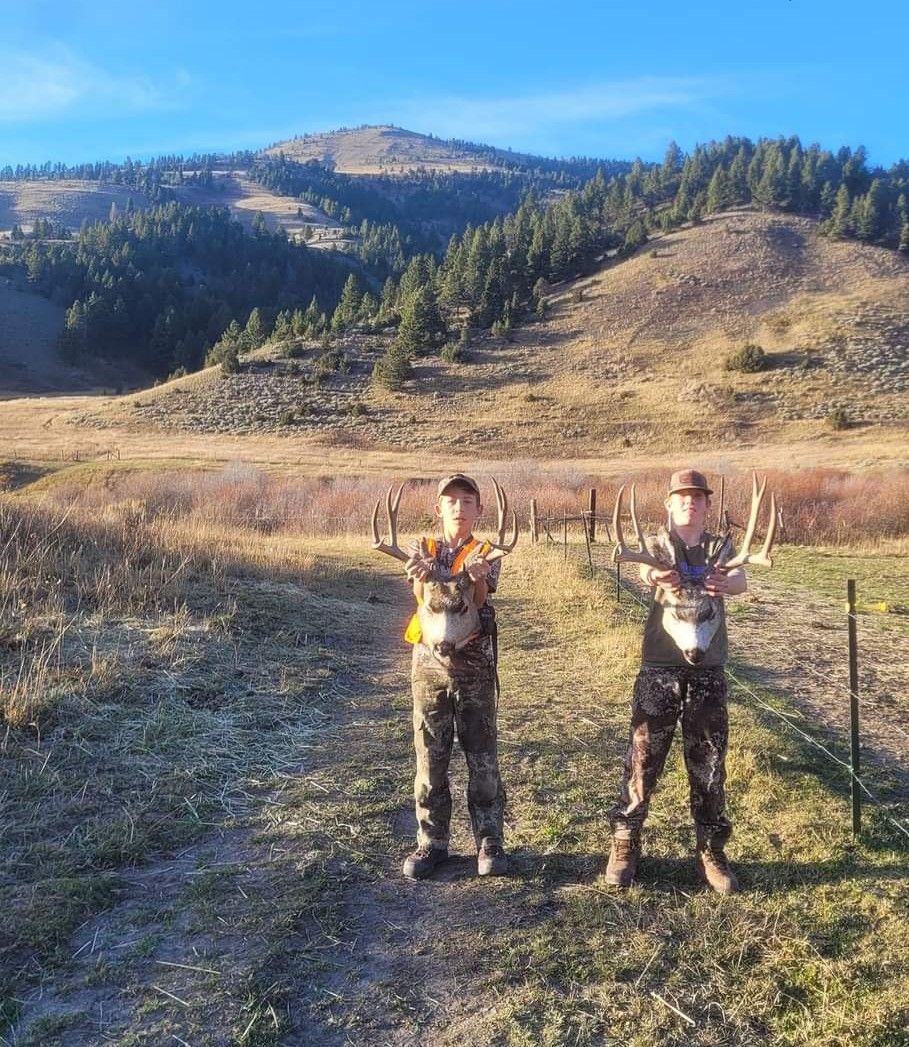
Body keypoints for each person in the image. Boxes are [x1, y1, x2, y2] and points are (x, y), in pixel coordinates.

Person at [606, 469, 748, 894]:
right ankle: (625, 841)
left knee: (708, 761)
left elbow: (741, 580)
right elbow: (640, 572)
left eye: (697, 497)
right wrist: (653, 576)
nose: (690, 503)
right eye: (682, 497)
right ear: (669, 503)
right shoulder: (656, 545)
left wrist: (729, 582)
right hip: (659, 666)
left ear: (706, 504)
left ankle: (711, 850)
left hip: (708, 668)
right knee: (643, 756)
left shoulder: (720, 546)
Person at [400, 473, 508, 879]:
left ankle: (490, 842)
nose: (459, 508)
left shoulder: (486, 551)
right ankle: (432, 843)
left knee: (482, 755)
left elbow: (479, 602)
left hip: (474, 665)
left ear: (479, 510)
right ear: (439, 509)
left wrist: (477, 576)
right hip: (428, 666)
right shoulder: (421, 550)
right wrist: (418, 573)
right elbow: (419, 596)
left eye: (467, 501)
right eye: (451, 501)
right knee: (431, 754)